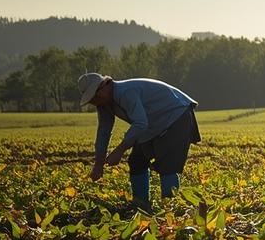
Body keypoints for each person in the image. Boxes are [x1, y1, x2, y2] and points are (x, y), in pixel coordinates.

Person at [79, 72, 200, 209]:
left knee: (168, 165)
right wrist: (99, 163)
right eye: (92, 100)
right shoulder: (104, 104)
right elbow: (103, 131)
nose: (95, 101)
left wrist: (119, 150)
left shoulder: (125, 92)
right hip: (152, 124)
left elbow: (140, 124)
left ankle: (171, 207)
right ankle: (140, 204)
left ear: (106, 84)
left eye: (95, 96)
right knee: (137, 161)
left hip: (176, 116)